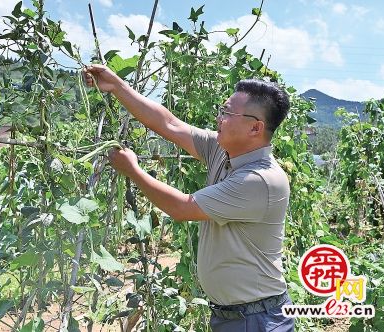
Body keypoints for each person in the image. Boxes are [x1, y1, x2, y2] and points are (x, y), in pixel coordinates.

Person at [83, 64, 294, 332]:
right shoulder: (224, 151)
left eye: (227, 113)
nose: (219, 118)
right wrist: (117, 86)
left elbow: (182, 208)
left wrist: (133, 171)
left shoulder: (261, 180)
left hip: (258, 320)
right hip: (234, 316)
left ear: (255, 128)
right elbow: (169, 123)